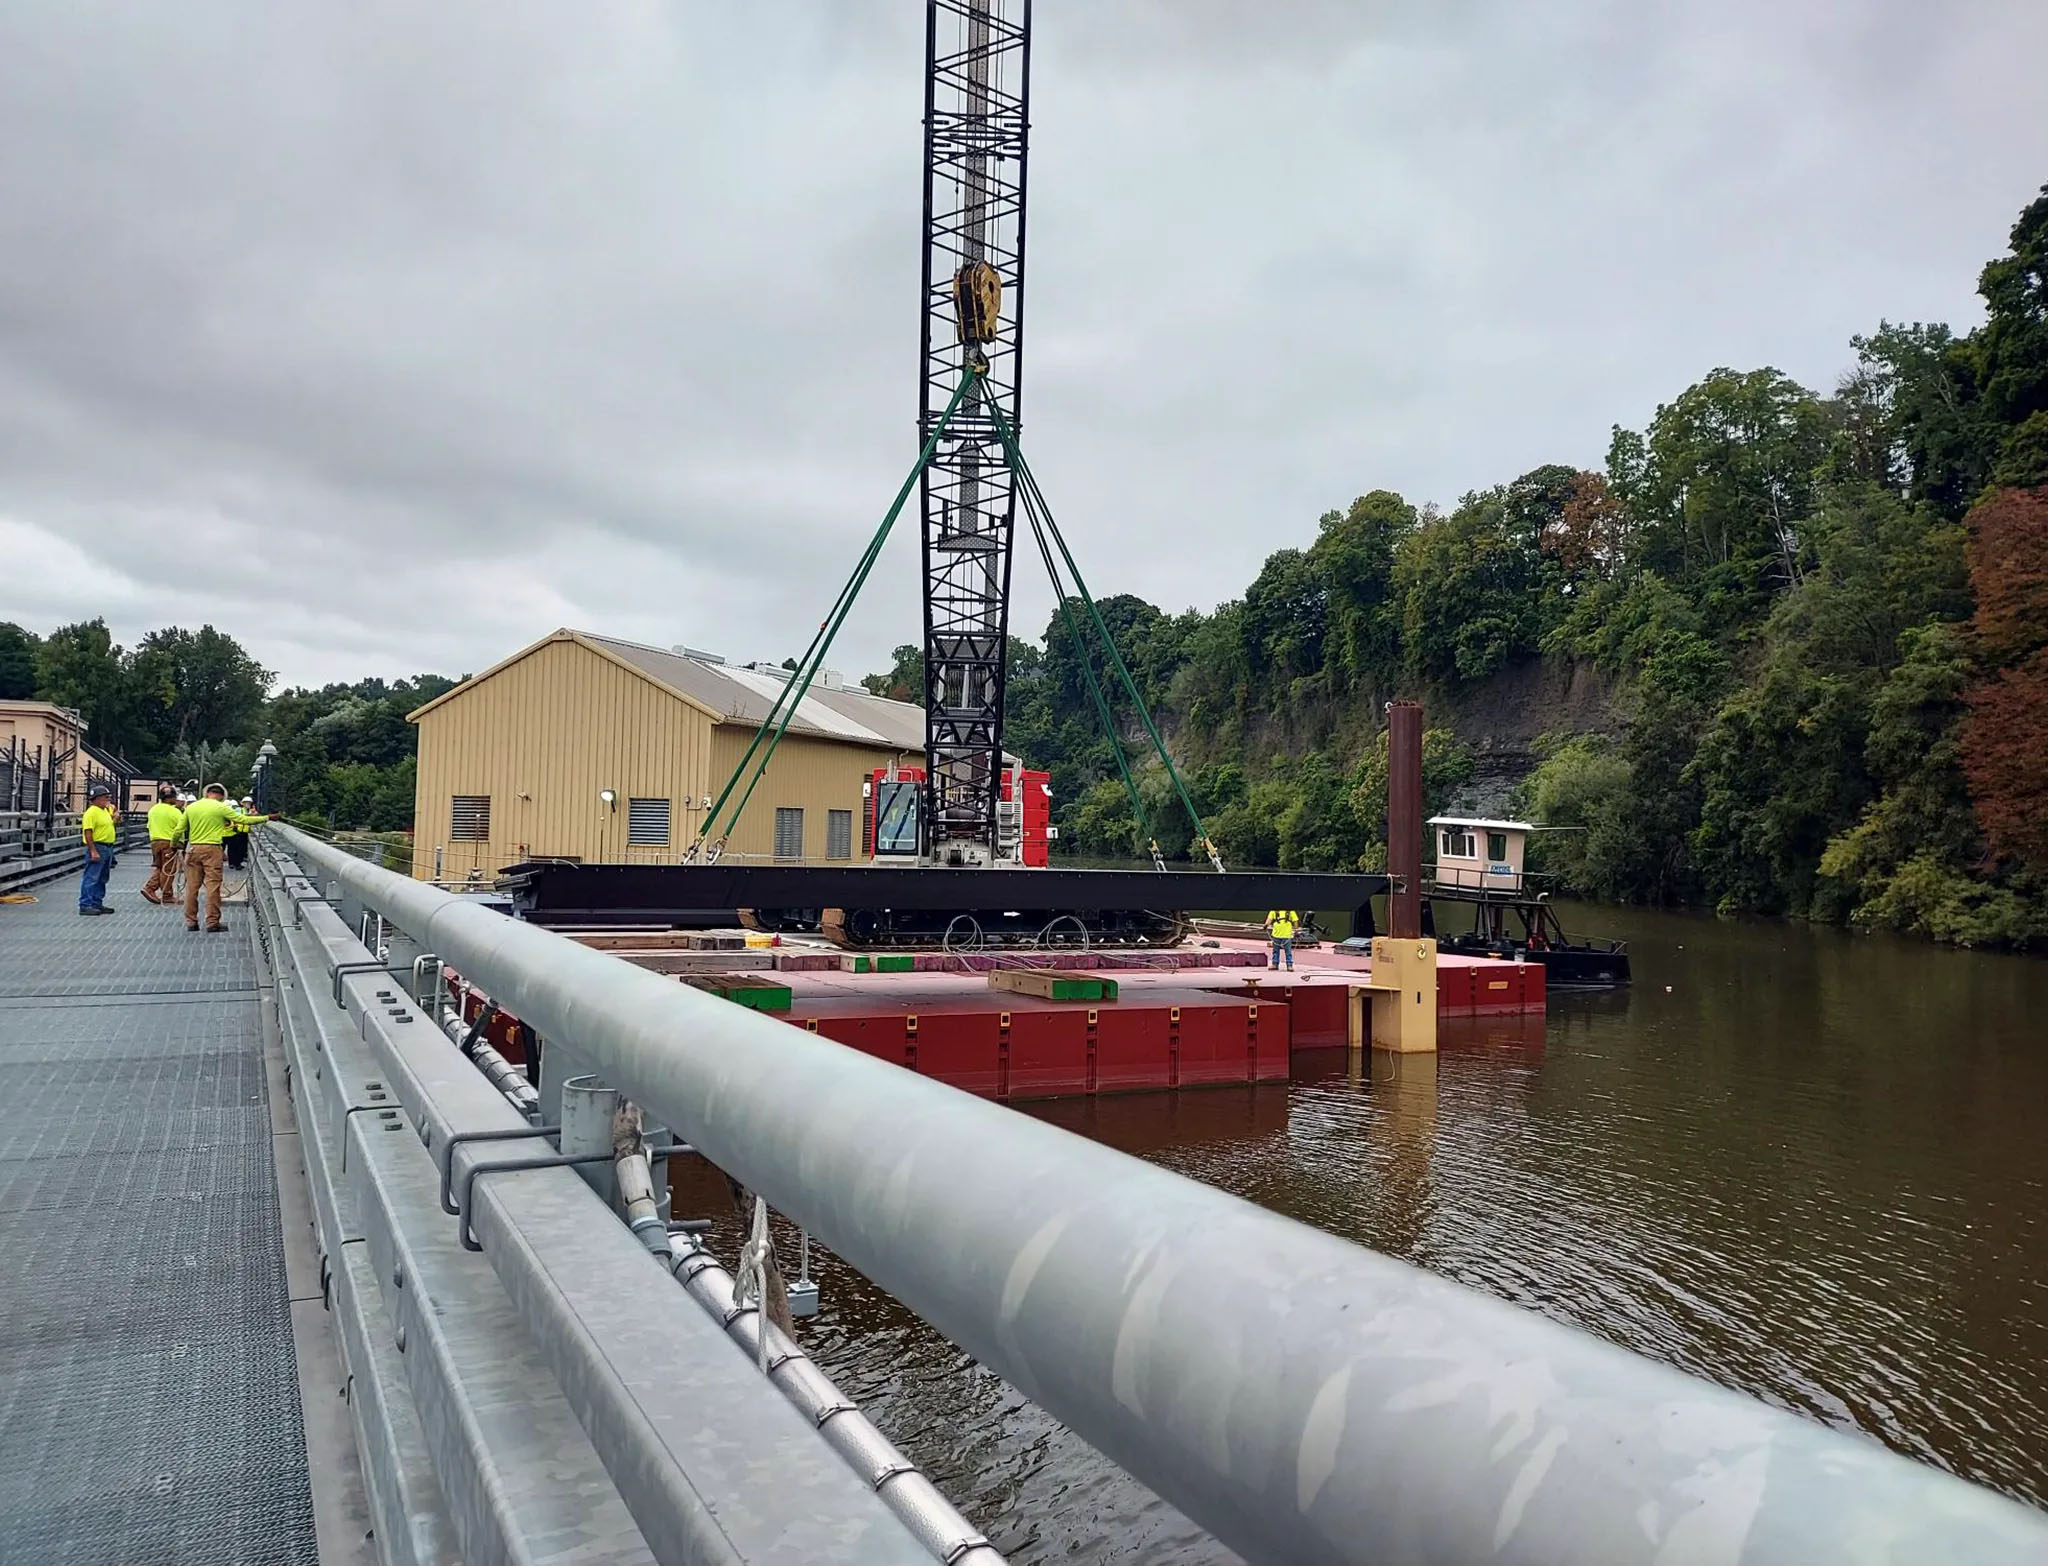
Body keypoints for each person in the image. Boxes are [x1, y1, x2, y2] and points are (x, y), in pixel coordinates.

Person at [182, 784, 273, 933]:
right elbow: (244, 820)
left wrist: (175, 846)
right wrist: (267, 818)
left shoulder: (192, 807)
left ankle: (191, 922)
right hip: (212, 850)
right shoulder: (221, 807)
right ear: (221, 795)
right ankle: (212, 922)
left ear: (207, 793)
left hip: (193, 849)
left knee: (192, 887)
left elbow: (180, 828)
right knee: (213, 887)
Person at [78, 784, 120, 915]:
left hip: (107, 846)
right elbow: (88, 832)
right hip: (98, 846)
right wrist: (93, 850)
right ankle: (85, 904)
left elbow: (107, 826)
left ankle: (97, 902)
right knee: (92, 876)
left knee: (102, 877)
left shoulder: (104, 811)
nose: (108, 800)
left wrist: (115, 818)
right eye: (105, 797)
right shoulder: (91, 813)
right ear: (96, 798)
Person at [141, 784, 185, 904]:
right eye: (174, 797)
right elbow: (180, 828)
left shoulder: (153, 809)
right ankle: (158, 891)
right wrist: (179, 844)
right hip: (169, 843)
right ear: (170, 798)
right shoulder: (175, 812)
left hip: (155, 842)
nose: (175, 799)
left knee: (160, 867)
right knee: (168, 870)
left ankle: (160, 891)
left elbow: (149, 825)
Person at [225, 797, 255, 872]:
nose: (248, 804)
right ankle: (236, 864)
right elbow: (238, 818)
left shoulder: (249, 811)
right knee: (237, 849)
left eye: (249, 803)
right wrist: (249, 815)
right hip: (238, 832)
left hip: (245, 832)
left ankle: (237, 863)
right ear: (243, 803)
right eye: (247, 803)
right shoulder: (239, 810)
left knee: (242, 849)